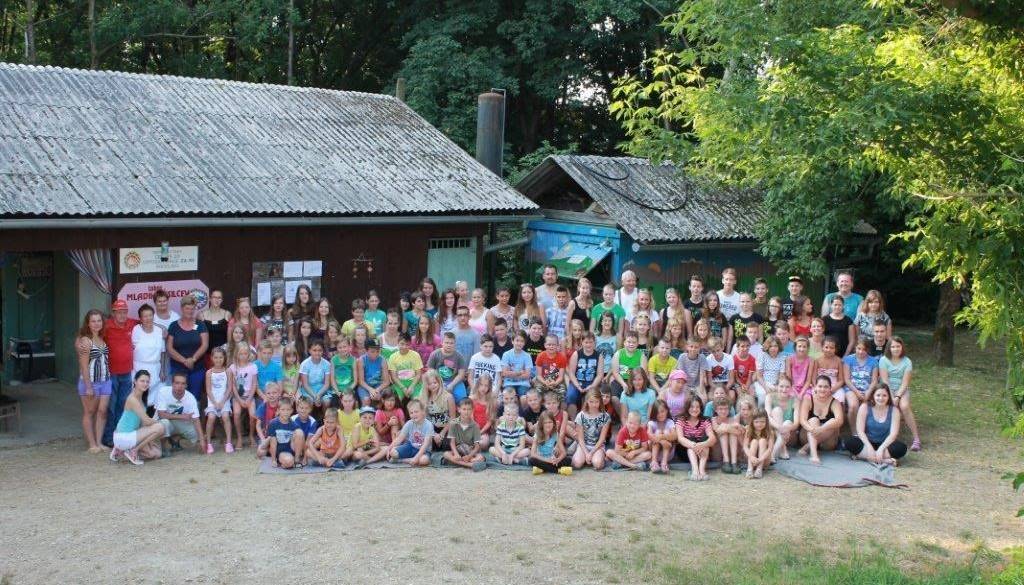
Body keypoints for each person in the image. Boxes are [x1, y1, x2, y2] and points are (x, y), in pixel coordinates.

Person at [101, 299, 137, 448]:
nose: (122, 315)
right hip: (111, 373)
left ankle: (119, 435)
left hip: (127, 372)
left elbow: (148, 321)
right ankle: (108, 437)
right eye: (119, 312)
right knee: (111, 406)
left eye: (124, 312)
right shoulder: (106, 326)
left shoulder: (132, 323)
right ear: (113, 313)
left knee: (123, 405)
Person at [109, 370, 165, 465]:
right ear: (135, 381)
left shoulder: (141, 398)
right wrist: (158, 422)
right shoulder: (132, 399)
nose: (145, 384)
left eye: (147, 382)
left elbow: (142, 424)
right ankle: (133, 450)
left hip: (131, 435)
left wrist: (149, 441)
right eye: (142, 381)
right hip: (124, 436)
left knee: (156, 453)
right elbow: (147, 421)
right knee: (160, 427)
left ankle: (121, 449)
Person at [843, 384, 907, 465]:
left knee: (901, 448)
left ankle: (863, 457)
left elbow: (893, 434)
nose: (881, 398)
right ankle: (884, 460)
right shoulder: (865, 407)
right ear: (873, 396)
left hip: (885, 445)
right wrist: (869, 447)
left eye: (884, 395)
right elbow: (860, 431)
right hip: (867, 443)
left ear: (888, 397)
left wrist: (881, 449)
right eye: (878, 395)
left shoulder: (894, 410)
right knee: (849, 442)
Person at [76, 309, 111, 453]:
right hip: (91, 382)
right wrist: (88, 386)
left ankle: (99, 442)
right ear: (88, 324)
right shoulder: (85, 341)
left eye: (99, 320)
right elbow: (83, 365)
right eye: (93, 321)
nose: (97, 324)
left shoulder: (102, 337)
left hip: (105, 380)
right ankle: (92, 444)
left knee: (102, 411)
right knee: (89, 411)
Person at [879, 336, 920, 451]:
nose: (896, 349)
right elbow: (885, 381)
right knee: (885, 406)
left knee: (905, 406)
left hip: (901, 389)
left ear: (902, 347)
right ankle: (884, 436)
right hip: (886, 389)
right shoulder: (883, 360)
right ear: (889, 348)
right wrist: (891, 396)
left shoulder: (907, 362)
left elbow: (905, 382)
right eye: (893, 347)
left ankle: (916, 438)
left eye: (898, 346)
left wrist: (897, 396)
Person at [166, 295, 209, 403]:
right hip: (178, 369)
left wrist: (193, 359)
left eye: (192, 308)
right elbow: (169, 348)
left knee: (195, 397)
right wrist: (185, 361)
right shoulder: (173, 326)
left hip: (197, 368)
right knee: (178, 396)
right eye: (187, 308)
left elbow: (205, 345)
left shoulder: (200, 325)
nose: (190, 311)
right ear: (181, 308)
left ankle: (194, 414)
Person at [155, 372, 207, 454]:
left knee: (199, 435)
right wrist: (182, 416)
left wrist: (201, 440)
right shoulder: (163, 391)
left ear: (186, 385)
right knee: (164, 423)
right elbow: (161, 414)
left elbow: (196, 420)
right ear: (172, 384)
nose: (180, 386)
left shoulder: (190, 398)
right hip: (165, 422)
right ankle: (163, 448)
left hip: (181, 423)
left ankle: (175, 439)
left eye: (183, 383)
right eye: (177, 383)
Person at [798, 375, 845, 464]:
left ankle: (806, 447)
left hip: (826, 443)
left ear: (830, 388)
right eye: (820, 386)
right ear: (815, 387)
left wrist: (821, 429)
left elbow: (840, 420)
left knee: (833, 422)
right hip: (807, 436)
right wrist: (813, 430)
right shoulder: (808, 399)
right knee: (813, 420)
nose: (822, 389)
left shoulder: (835, 402)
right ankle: (814, 455)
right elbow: (802, 420)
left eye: (826, 387)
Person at [131, 304, 166, 409]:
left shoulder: (159, 331)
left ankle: (150, 418)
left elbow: (162, 352)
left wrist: (162, 370)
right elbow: (132, 349)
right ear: (140, 318)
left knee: (154, 401)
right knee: (139, 398)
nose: (148, 318)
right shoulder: (136, 329)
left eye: (150, 315)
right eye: (145, 316)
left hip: (155, 369)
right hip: (139, 368)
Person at [676, 395, 715, 481]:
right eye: (692, 407)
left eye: (697, 407)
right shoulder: (681, 420)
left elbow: (712, 438)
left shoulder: (705, 420)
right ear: (687, 407)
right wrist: (694, 445)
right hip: (686, 452)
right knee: (691, 440)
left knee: (705, 440)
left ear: (700, 408)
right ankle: (695, 470)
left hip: (702, 452)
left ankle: (702, 470)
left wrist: (702, 444)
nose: (695, 409)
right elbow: (680, 438)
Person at [572, 388, 611, 470]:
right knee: (577, 463)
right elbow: (580, 438)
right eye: (591, 402)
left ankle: (598, 457)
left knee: (597, 464)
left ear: (600, 401)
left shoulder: (605, 416)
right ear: (587, 401)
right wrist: (586, 453)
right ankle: (582, 456)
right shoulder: (581, 416)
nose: (594, 405)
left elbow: (602, 439)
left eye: (596, 402)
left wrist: (591, 453)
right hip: (584, 445)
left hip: (598, 446)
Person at [842, 338, 879, 424]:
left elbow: (874, 380)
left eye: (864, 349)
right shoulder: (848, 359)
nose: (861, 351)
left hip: (867, 389)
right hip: (851, 388)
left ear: (868, 350)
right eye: (859, 348)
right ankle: (854, 429)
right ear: (855, 348)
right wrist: (857, 392)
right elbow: (847, 379)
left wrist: (868, 392)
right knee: (853, 406)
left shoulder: (873, 361)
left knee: (866, 407)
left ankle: (864, 426)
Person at [444, 399, 488, 471]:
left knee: (481, 457)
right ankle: (470, 465)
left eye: (469, 409)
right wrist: (456, 454)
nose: (466, 412)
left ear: (472, 410)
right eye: (464, 409)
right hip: (458, 450)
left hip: (470, 450)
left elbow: (477, 447)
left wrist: (469, 456)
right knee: (446, 454)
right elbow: (452, 443)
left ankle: (460, 462)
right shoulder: (453, 423)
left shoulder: (475, 426)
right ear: (459, 409)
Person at [204, 347, 234, 454]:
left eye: (221, 357)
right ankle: (208, 443)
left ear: (224, 358)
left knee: (225, 416)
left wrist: (222, 402)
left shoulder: (228, 371)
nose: (218, 360)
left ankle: (229, 442)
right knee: (211, 417)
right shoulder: (209, 372)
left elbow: (229, 388)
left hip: (224, 400)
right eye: (216, 357)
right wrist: (215, 403)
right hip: (212, 401)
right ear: (212, 358)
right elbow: (208, 390)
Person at [566, 332, 603, 417]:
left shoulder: (598, 356)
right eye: (586, 342)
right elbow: (571, 373)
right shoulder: (576, 354)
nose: (588, 345)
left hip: (591, 383)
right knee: (570, 396)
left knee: (592, 397)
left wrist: (592, 386)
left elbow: (600, 375)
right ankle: (574, 419)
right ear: (582, 342)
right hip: (577, 382)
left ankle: (586, 418)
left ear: (594, 343)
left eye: (591, 342)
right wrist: (578, 386)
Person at [387, 399, 433, 466]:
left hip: (424, 450)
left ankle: (403, 460)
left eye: (416, 412)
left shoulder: (428, 425)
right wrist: (389, 448)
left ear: (423, 411)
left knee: (424, 461)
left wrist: (416, 458)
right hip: (411, 447)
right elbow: (400, 438)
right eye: (411, 413)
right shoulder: (409, 423)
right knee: (393, 452)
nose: (414, 414)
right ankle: (411, 459)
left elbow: (425, 444)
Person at [766, 374, 799, 460]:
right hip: (773, 432)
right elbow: (768, 417)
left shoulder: (795, 400)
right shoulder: (769, 397)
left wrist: (786, 428)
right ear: (777, 386)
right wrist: (780, 428)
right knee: (777, 410)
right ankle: (783, 449)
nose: (784, 389)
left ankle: (772, 454)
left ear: (791, 388)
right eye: (781, 386)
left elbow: (796, 423)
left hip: (789, 435)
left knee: (787, 422)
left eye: (787, 387)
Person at [529, 411, 572, 475]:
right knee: (531, 460)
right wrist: (547, 460)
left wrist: (558, 460)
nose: (548, 424)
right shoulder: (537, 435)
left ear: (553, 423)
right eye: (545, 423)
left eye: (550, 422)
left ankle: (542, 469)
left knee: (568, 460)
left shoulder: (555, 434)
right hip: (541, 459)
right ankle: (558, 471)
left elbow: (563, 452)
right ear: (541, 424)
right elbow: (533, 454)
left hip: (552, 459)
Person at [266, 397, 304, 469]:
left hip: (291, 448)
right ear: (278, 410)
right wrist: (273, 460)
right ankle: (287, 462)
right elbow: (273, 443)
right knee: (288, 462)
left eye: (288, 410)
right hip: (281, 451)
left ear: (292, 410)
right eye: (283, 410)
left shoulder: (294, 424)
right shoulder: (273, 423)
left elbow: (300, 439)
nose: (285, 412)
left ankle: (296, 459)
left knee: (299, 432)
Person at [388, 333, 424, 403]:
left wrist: (412, 386)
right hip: (399, 383)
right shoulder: (392, 357)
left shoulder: (415, 355)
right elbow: (394, 377)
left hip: (414, 382)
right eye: (402, 344)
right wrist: (403, 388)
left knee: (418, 400)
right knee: (396, 400)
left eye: (407, 344)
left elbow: (418, 374)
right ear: (398, 343)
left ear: (410, 344)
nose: (404, 347)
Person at [533, 334, 567, 403]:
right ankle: (541, 408)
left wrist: (555, 383)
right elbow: (538, 375)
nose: (551, 346)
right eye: (549, 344)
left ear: (557, 346)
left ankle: (560, 408)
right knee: (537, 392)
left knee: (563, 392)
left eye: (553, 345)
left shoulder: (562, 357)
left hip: (557, 381)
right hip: (543, 380)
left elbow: (561, 377)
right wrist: (545, 382)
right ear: (545, 345)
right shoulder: (540, 356)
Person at [356, 340, 391, 406]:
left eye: (377, 351)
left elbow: (386, 381)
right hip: (365, 386)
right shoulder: (361, 360)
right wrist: (371, 390)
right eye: (372, 351)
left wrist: (377, 390)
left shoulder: (382, 360)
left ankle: (380, 411)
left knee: (383, 397)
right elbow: (361, 381)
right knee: (366, 400)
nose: (376, 354)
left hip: (379, 385)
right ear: (366, 351)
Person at [710, 398, 741, 474]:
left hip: (732, 451)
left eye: (726, 409)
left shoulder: (732, 419)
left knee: (732, 434)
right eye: (720, 409)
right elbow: (717, 430)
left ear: (729, 409)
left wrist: (726, 427)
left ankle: (734, 463)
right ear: (716, 410)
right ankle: (726, 462)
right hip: (718, 450)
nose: (723, 411)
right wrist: (730, 426)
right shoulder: (713, 419)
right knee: (724, 434)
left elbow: (738, 433)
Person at [299, 340, 332, 408]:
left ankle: (325, 415)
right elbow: (305, 385)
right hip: (308, 389)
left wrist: (319, 395)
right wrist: (315, 396)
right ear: (309, 351)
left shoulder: (327, 364)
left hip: (322, 389)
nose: (317, 353)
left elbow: (326, 384)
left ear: (323, 351)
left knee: (327, 401)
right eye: (314, 350)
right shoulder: (305, 364)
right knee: (309, 402)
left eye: (320, 350)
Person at [742, 408, 774, 478]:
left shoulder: (769, 432)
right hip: (751, 459)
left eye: (762, 422)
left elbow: (770, 449)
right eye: (756, 422)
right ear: (752, 422)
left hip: (763, 459)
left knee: (762, 440)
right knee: (754, 441)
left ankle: (759, 469)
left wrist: (760, 459)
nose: (759, 424)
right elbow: (745, 446)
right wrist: (751, 457)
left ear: (766, 421)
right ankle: (750, 469)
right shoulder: (749, 430)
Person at [647, 400, 676, 474]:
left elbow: (675, 436)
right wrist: (662, 440)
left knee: (665, 432)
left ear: (667, 411)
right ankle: (654, 462)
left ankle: (664, 463)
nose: (660, 414)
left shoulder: (670, 422)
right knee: (658, 432)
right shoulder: (651, 423)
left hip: (668, 453)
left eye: (662, 411)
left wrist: (661, 437)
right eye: (657, 413)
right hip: (653, 453)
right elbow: (649, 435)